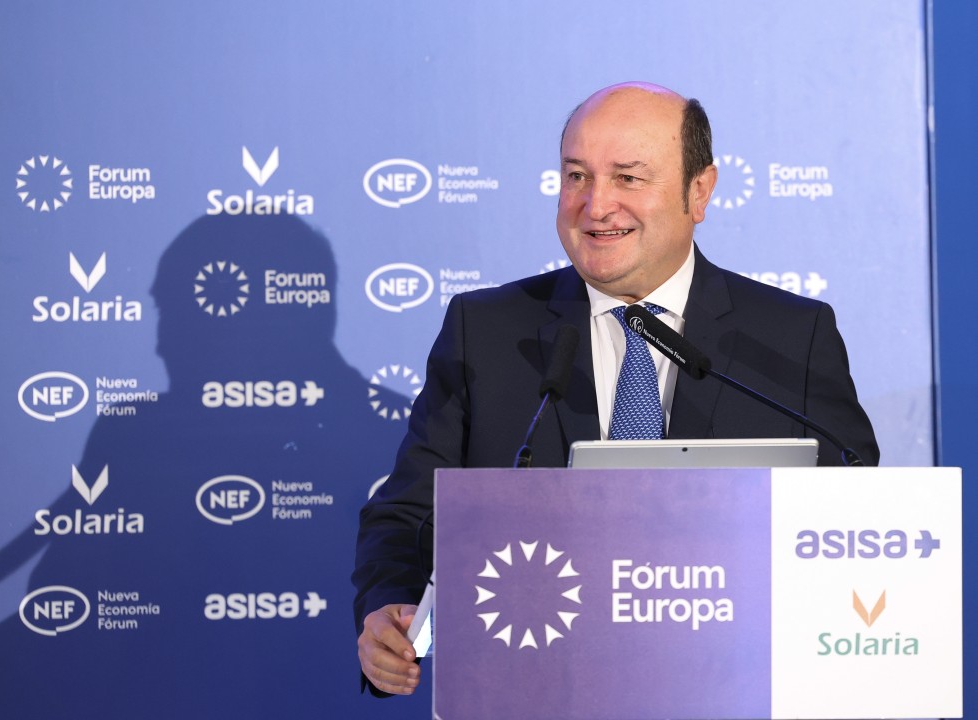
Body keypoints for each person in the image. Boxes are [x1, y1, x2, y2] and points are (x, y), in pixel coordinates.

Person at [352, 81, 879, 696]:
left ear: (700, 190)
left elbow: (853, 519)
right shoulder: (487, 331)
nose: (596, 205)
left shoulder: (791, 336)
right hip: (537, 691)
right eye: (577, 176)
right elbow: (410, 514)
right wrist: (388, 607)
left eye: (628, 177)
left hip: (735, 688)